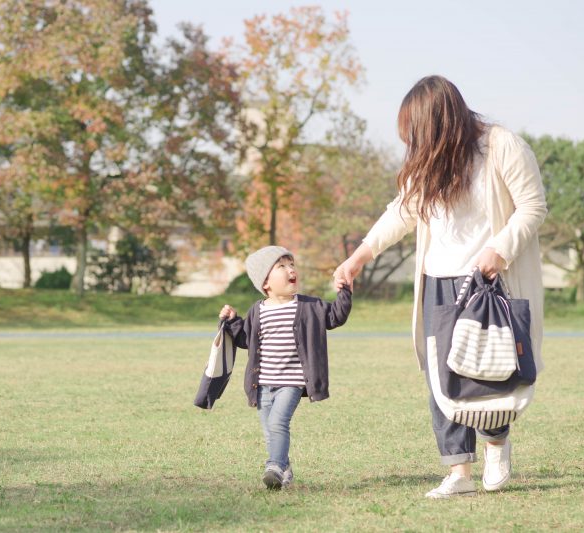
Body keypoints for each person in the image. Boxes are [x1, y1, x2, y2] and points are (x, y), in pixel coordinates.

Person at [334, 75, 547, 499]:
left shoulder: (502, 145)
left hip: (489, 279)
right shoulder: (430, 160)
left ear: (442, 122)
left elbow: (532, 206)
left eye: (418, 132)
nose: (413, 143)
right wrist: (359, 256)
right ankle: (458, 473)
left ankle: (496, 444)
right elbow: (402, 211)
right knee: (441, 377)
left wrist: (499, 249)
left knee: (487, 369)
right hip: (438, 279)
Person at [219, 245, 352, 490]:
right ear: (265, 282)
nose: (291, 270)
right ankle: (284, 468)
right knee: (270, 430)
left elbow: (336, 316)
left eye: (292, 264)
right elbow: (246, 339)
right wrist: (232, 321)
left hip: (292, 380)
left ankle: (274, 466)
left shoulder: (309, 306)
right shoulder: (258, 311)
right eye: (282, 266)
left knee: (279, 423)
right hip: (262, 383)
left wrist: (344, 292)